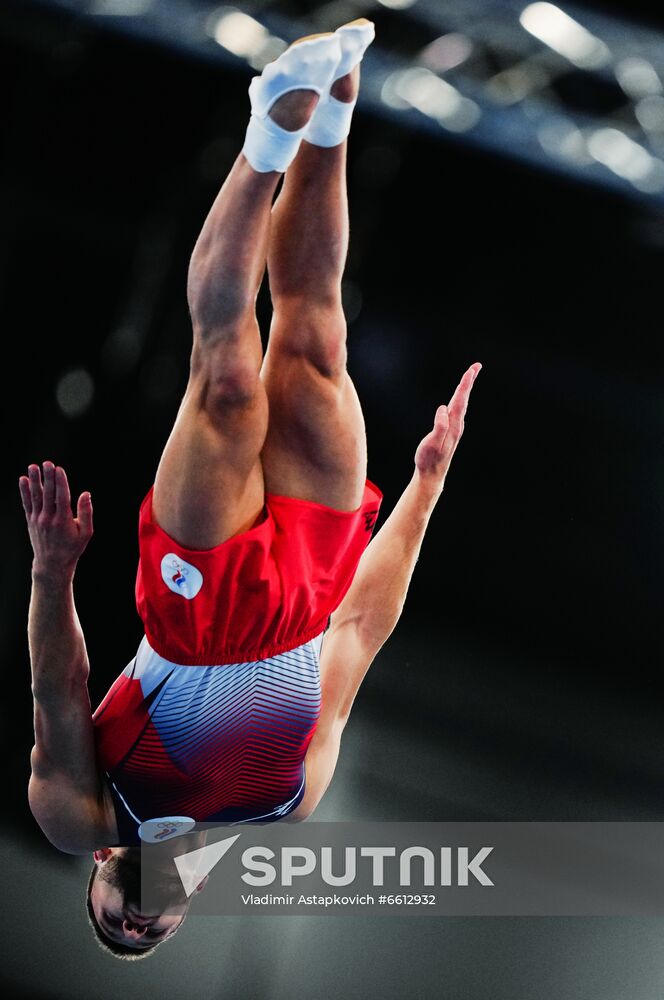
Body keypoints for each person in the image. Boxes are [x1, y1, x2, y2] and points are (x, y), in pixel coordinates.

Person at [18, 19, 482, 956]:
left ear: (103, 882)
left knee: (224, 380)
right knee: (315, 337)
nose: (140, 919)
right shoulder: (286, 804)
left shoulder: (84, 817)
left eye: (118, 923)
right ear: (186, 914)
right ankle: (334, 109)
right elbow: (359, 636)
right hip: (312, 596)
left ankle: (265, 136)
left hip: (193, 628)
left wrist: (53, 570)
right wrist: (425, 486)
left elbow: (59, 687)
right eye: (152, 935)